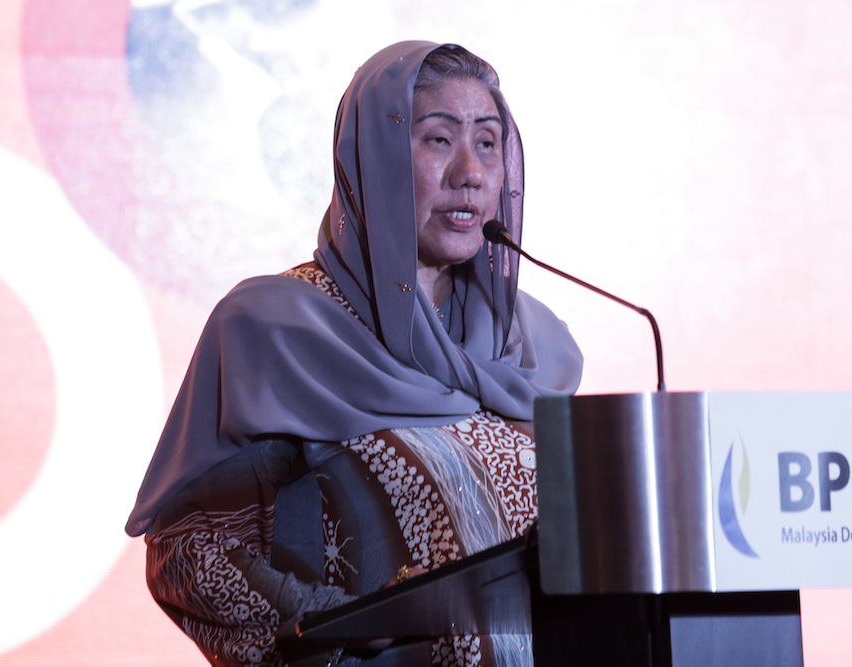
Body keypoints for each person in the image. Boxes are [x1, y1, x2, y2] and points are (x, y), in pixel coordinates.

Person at [126, 40, 583, 666]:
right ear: (372, 156)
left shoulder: (529, 343)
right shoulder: (280, 329)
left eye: (487, 142)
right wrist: (329, 620)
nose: (471, 173)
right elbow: (188, 552)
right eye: (439, 139)